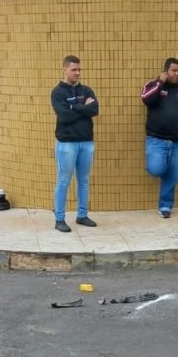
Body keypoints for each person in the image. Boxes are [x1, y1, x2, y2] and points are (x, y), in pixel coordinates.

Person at [140, 58, 178, 218]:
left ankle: (165, 206)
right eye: (173, 70)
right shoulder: (153, 86)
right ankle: (160, 168)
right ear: (165, 71)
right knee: (156, 169)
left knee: (173, 176)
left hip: (177, 142)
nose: (176, 73)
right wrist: (159, 83)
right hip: (157, 140)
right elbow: (146, 99)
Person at [50, 55, 99, 232]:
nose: (77, 73)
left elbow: (95, 109)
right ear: (65, 70)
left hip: (86, 142)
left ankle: (82, 215)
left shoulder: (87, 90)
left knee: (84, 180)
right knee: (64, 180)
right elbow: (64, 116)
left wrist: (74, 107)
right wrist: (83, 107)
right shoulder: (58, 92)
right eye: (74, 70)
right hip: (67, 143)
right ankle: (59, 219)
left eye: (79, 69)